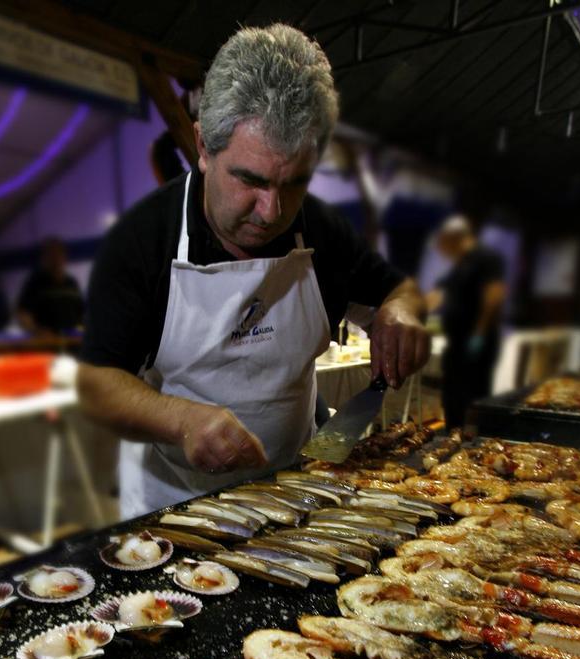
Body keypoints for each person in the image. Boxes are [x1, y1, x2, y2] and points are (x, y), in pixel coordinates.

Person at [77, 24, 430, 518]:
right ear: (203, 146)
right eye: (250, 180)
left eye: (295, 184)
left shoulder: (324, 232)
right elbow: (96, 382)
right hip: (178, 508)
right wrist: (179, 419)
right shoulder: (142, 241)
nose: (271, 211)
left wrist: (400, 312)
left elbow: (400, 290)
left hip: (298, 492)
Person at [428, 215, 506, 430]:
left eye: (443, 246)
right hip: (457, 342)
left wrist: (479, 333)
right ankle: (454, 438)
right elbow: (436, 296)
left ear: (454, 238)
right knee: (453, 396)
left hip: (477, 340)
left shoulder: (485, 258)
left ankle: (474, 446)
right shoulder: (459, 265)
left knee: (474, 396)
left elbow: (494, 296)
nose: (442, 251)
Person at [16, 237, 85, 334]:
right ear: (44, 258)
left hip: (72, 339)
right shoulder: (35, 282)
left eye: (59, 254)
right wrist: (36, 331)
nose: (55, 258)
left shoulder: (72, 283)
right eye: (51, 254)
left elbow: (82, 313)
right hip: (47, 343)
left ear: (64, 256)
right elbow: (23, 313)